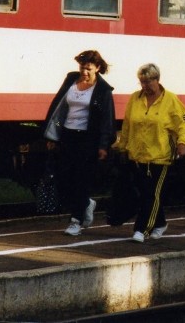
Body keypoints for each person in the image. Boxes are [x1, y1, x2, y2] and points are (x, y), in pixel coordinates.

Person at [118, 63, 185, 243]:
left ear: (157, 80)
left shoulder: (171, 100)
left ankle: (141, 229)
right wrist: (123, 146)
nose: (144, 86)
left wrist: (183, 142)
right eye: (141, 82)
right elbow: (128, 124)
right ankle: (160, 223)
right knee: (146, 193)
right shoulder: (135, 99)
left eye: (147, 82)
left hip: (161, 157)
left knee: (152, 194)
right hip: (138, 155)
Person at [44, 50, 116, 236]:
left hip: (88, 139)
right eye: (82, 67)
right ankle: (87, 203)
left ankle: (76, 221)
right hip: (67, 136)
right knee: (64, 178)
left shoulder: (103, 90)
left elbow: (107, 120)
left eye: (88, 68)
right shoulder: (71, 81)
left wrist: (103, 145)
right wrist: (53, 136)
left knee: (80, 179)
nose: (84, 72)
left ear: (98, 68)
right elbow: (58, 107)